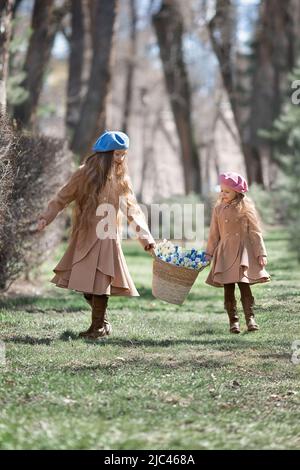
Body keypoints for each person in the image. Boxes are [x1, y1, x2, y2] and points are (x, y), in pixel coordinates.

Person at [37, 130, 155, 339]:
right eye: (117, 154)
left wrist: (146, 240)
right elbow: (62, 197)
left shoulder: (121, 179)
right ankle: (103, 322)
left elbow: (133, 211)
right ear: (105, 154)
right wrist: (46, 217)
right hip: (85, 236)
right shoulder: (83, 174)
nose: (121, 159)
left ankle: (98, 327)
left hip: (107, 237)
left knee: (100, 282)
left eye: (123, 154)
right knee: (84, 283)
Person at [205, 172, 270, 333]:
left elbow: (255, 232)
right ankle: (233, 321)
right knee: (228, 289)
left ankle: (250, 318)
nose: (222, 194)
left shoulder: (246, 207)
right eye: (221, 190)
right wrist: (209, 253)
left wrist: (261, 253)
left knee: (244, 285)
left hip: (243, 253)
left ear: (237, 192)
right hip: (225, 254)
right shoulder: (218, 209)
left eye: (227, 191)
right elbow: (214, 234)